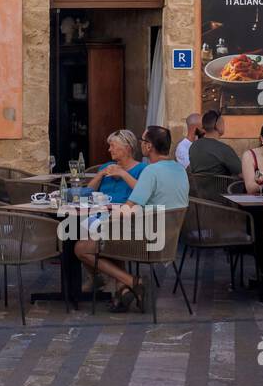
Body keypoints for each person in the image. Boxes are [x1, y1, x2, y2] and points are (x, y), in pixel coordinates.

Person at [75, 126, 188, 313]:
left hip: (146, 240)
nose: (140, 145)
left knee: (82, 247)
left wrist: (105, 220)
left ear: (149, 147)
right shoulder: (179, 170)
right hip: (168, 239)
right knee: (111, 235)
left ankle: (134, 282)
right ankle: (124, 291)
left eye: (142, 141)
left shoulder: (151, 172)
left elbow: (128, 209)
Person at [86, 130, 147, 204]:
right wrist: (100, 174)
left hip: (126, 212)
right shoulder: (106, 167)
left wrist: (123, 173)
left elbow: (143, 192)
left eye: (113, 146)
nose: (109, 149)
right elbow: (87, 193)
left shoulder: (143, 169)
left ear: (127, 148)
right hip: (101, 211)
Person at [187, 110, 240, 177]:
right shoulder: (224, 149)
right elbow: (242, 174)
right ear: (217, 125)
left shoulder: (193, 146)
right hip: (221, 187)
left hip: (198, 187)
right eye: (223, 122)